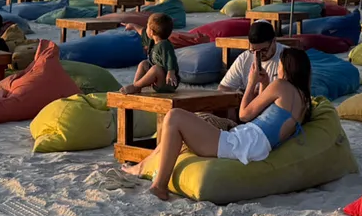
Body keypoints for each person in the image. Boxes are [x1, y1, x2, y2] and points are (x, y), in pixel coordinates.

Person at [134, 46, 312, 201]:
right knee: (185, 123)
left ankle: (159, 185)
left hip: (242, 143)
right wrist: (264, 84)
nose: (277, 69)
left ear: (286, 68)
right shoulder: (304, 101)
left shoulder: (281, 85)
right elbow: (269, 119)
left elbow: (244, 114)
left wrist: (251, 83)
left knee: (174, 116)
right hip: (256, 144)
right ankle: (140, 168)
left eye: (279, 65)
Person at [219, 20, 284, 93]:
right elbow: (223, 88)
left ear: (274, 41)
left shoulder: (288, 57)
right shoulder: (244, 58)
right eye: (254, 50)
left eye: (264, 50)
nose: (258, 55)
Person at [122, 12, 179, 94]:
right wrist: (133, 26)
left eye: (147, 26)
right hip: (157, 80)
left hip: (167, 83)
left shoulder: (164, 45)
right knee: (144, 63)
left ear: (151, 32)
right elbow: (142, 31)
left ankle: (135, 86)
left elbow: (171, 58)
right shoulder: (152, 41)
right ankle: (137, 87)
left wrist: (171, 72)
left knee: (156, 68)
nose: (146, 29)